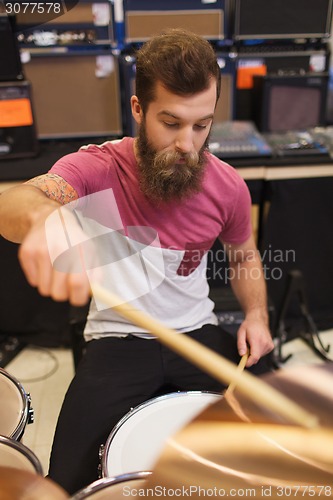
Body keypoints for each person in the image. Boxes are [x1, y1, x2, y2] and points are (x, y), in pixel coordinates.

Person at [0, 29, 274, 494]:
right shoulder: (97, 168)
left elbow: (244, 256)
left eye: (201, 125)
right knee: (66, 481)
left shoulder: (227, 185)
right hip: (117, 339)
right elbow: (19, 203)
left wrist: (257, 315)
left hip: (196, 330)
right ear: (138, 109)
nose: (188, 143)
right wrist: (46, 221)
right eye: (171, 122)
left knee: (283, 441)